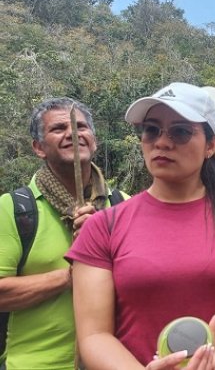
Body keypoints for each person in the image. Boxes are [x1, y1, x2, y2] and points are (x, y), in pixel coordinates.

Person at [66, 82, 215, 370]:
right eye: (152, 129)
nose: (162, 142)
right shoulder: (104, 227)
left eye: (180, 131)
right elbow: (94, 334)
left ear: (211, 145)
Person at [0, 97, 124, 369]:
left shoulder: (124, 205)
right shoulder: (13, 209)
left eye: (81, 126)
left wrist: (103, 240)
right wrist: (75, 275)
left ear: (94, 140)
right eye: (58, 129)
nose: (72, 133)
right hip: (35, 364)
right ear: (38, 147)